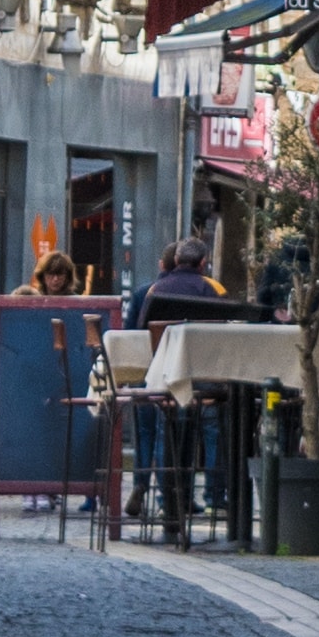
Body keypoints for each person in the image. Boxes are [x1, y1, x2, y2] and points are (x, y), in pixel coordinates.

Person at [132, 226, 226, 535]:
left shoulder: (155, 291)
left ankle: (168, 499)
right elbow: (221, 334)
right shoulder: (210, 289)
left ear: (174, 261)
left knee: (165, 430)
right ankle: (212, 496)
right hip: (202, 382)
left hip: (165, 380)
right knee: (213, 426)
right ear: (202, 264)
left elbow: (145, 330)